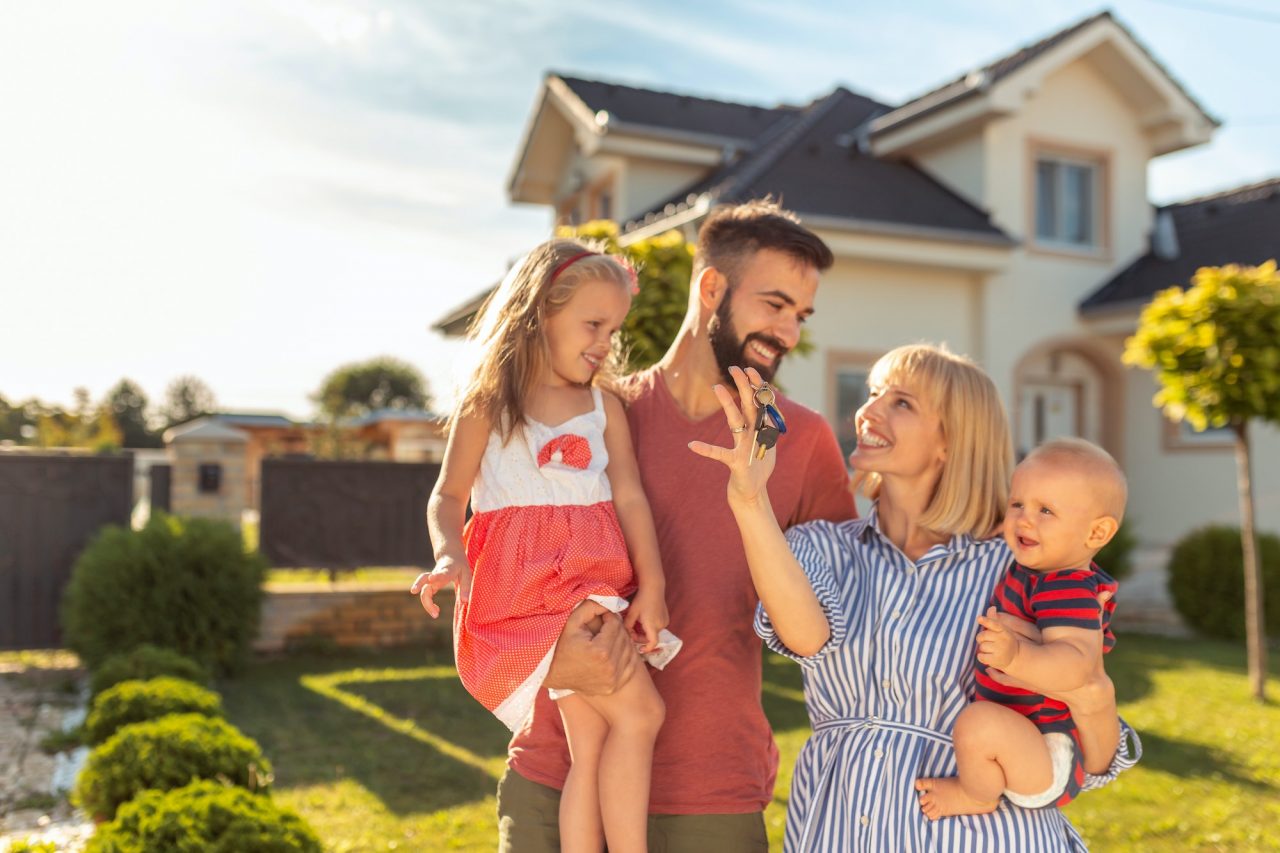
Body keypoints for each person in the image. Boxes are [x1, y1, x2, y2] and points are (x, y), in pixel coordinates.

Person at [492, 200, 857, 852]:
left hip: (708, 795)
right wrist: (544, 653)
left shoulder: (801, 442)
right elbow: (496, 559)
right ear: (711, 287)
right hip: (557, 775)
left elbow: (838, 625)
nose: (790, 332)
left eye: (800, 315)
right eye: (774, 305)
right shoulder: (591, 415)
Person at [690, 346, 1140, 851]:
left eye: (901, 402)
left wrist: (1088, 693)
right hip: (841, 830)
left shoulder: (1017, 564)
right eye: (873, 393)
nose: (868, 410)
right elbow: (806, 636)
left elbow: (1091, 744)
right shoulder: (820, 547)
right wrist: (750, 501)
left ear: (951, 440)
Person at [411, 239, 679, 853]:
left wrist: (654, 585)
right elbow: (448, 497)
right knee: (643, 716)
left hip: (592, 582)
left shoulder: (602, 405)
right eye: (593, 324)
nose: (604, 343)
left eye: (613, 329)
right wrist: (450, 554)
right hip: (539, 592)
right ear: (539, 315)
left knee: (592, 743)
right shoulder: (490, 402)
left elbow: (630, 497)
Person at [915, 438, 1125, 818]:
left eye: (1045, 510)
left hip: (1047, 746)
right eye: (1017, 504)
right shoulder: (1037, 571)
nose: (1024, 519)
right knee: (981, 724)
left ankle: (977, 797)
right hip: (1026, 739)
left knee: (978, 724)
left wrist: (1016, 655)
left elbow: (1077, 663)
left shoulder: (1068, 585)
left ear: (1096, 534)